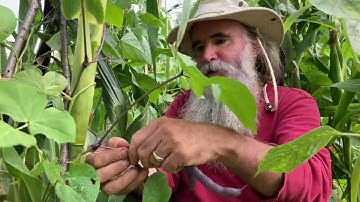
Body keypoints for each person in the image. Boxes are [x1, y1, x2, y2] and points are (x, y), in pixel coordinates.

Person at [86, 0, 332, 201]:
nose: (207, 55)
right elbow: (165, 176)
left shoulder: (292, 104)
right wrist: (134, 171)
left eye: (220, 40)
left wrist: (219, 140)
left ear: (255, 46)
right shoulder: (185, 105)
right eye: (198, 46)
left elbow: (312, 185)